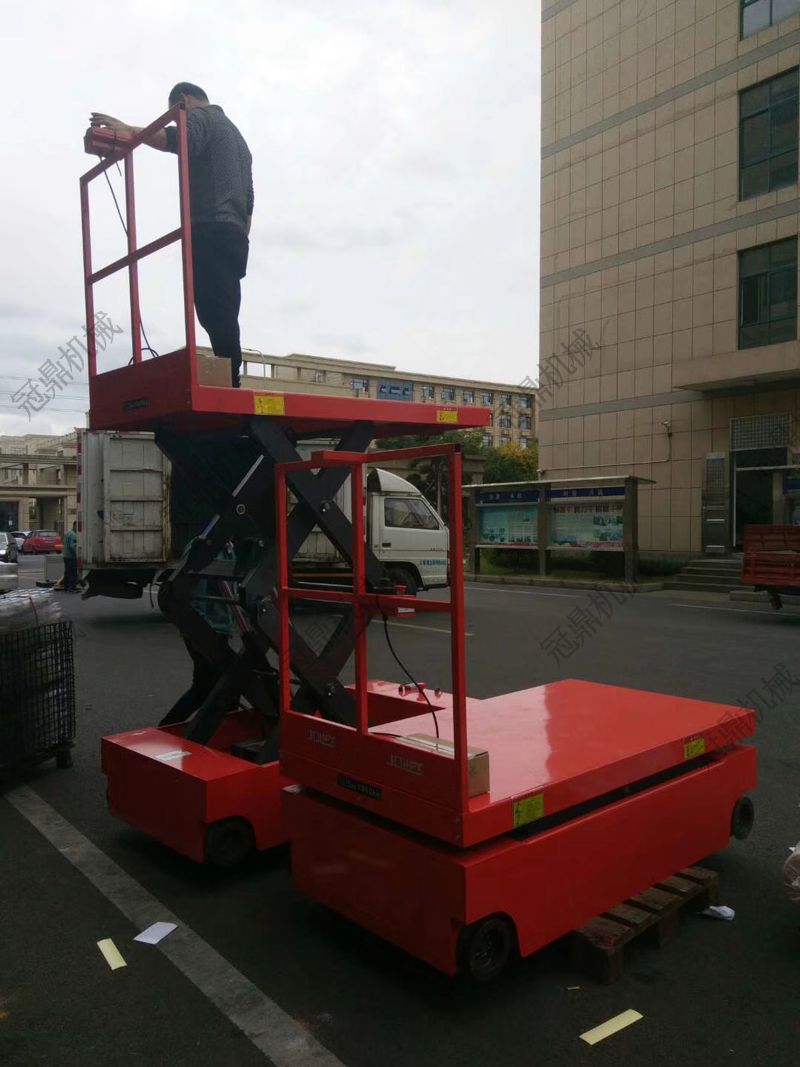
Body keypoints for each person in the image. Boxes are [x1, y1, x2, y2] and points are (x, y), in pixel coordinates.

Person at [89, 83, 253, 388]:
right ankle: (230, 377)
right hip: (235, 236)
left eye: (176, 113)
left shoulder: (202, 117)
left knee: (211, 308)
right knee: (225, 308)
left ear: (184, 100)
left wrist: (130, 130)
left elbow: (178, 139)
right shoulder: (239, 140)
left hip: (210, 228)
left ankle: (230, 382)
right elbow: (249, 205)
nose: (179, 118)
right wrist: (240, 240)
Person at [62, 522, 79, 592]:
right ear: (74, 526)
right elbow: (73, 546)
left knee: (67, 572)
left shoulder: (67, 533)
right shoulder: (73, 535)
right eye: (77, 526)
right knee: (73, 572)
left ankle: (66, 586)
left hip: (65, 555)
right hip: (71, 556)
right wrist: (77, 554)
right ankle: (72, 587)